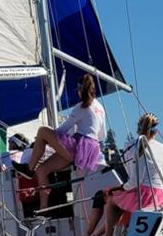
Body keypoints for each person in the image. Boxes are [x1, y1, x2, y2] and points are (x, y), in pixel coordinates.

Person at [12, 74, 106, 209]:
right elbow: (102, 135)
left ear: (80, 91)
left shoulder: (81, 107)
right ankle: (44, 209)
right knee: (42, 170)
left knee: (43, 130)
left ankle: (29, 169)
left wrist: (43, 140)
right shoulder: (100, 107)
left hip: (78, 148)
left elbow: (63, 129)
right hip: (90, 151)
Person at [91, 113, 163, 236]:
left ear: (138, 128)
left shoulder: (133, 145)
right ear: (157, 131)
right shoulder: (162, 147)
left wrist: (115, 188)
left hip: (148, 196)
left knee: (112, 199)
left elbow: (133, 182)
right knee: (124, 198)